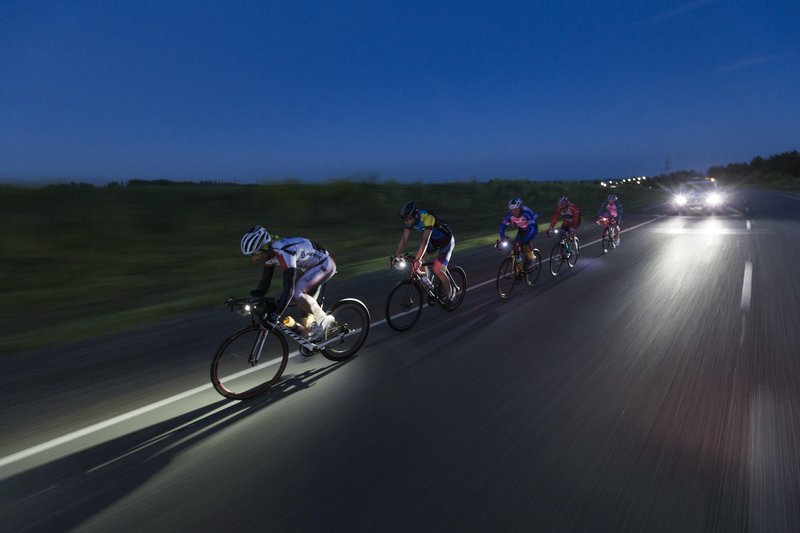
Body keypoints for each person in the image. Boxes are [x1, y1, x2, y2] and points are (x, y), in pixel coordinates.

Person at [240, 225, 336, 341]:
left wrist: (275, 315)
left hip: (325, 264)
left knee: (296, 292)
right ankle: (310, 339)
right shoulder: (270, 254)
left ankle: (323, 319)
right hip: (312, 267)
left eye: (255, 254)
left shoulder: (283, 252)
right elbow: (265, 282)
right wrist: (251, 299)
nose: (254, 259)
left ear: (264, 247)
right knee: (298, 301)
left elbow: (289, 290)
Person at [392, 201, 456, 302]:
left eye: (408, 219)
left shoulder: (427, 217)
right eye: (405, 220)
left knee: (438, 269)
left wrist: (418, 259)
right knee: (417, 261)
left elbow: (425, 240)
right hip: (433, 241)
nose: (407, 222)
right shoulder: (410, 220)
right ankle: (427, 282)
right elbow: (404, 238)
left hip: (446, 240)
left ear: (415, 215)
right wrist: (396, 255)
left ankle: (450, 293)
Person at [498, 197, 539, 269]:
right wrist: (503, 237)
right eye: (512, 210)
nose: (513, 212)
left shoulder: (526, 213)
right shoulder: (509, 215)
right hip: (522, 228)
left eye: (516, 210)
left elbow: (532, 228)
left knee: (526, 242)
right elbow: (502, 227)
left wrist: (525, 241)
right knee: (515, 247)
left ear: (520, 208)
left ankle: (532, 259)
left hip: (531, 228)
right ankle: (520, 268)